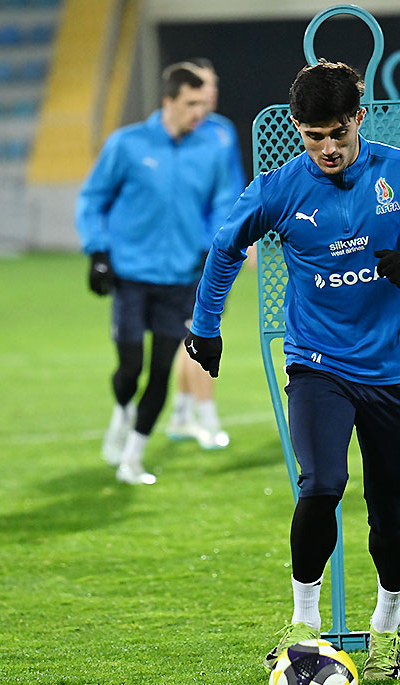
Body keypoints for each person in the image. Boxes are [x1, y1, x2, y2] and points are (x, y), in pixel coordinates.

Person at [183, 61, 400, 680]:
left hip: (393, 373)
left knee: (391, 511)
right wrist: (205, 327)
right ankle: (303, 623)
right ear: (297, 129)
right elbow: (225, 248)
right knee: (322, 484)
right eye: (312, 136)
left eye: (337, 133)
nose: (327, 148)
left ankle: (386, 629)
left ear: (358, 118)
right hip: (317, 365)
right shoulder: (278, 190)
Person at [75, 61, 241, 485]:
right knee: (130, 368)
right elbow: (92, 199)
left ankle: (132, 459)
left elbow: (224, 203)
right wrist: (97, 252)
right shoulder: (126, 144)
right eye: (190, 104)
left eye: (202, 104)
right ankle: (121, 412)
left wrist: (212, 247)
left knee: (162, 369)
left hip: (181, 278)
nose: (199, 113)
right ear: (168, 101)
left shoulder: (213, 148)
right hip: (131, 275)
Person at [165, 61, 245, 450]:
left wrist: (239, 238)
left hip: (216, 247)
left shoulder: (221, 132)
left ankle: (181, 414)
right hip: (187, 250)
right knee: (198, 329)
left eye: (213, 86)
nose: (210, 93)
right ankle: (208, 419)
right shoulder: (175, 134)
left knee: (190, 329)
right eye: (203, 87)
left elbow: (232, 192)